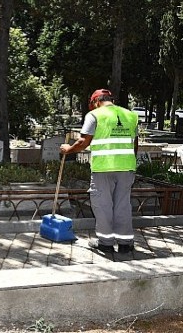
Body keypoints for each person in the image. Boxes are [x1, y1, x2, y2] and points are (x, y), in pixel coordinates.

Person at [59, 89, 138, 254]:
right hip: (127, 167)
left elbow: (83, 142)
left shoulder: (94, 115)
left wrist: (68, 149)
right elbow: (134, 144)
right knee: (122, 205)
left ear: (95, 101)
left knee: (103, 205)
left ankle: (106, 242)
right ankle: (125, 244)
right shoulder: (130, 115)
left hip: (103, 168)